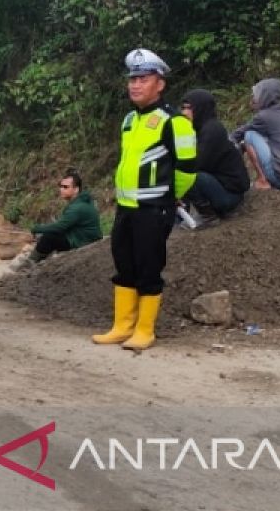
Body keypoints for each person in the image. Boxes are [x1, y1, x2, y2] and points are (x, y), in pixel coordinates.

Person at [92, 49, 196, 352]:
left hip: (154, 208)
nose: (135, 85)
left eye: (143, 78)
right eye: (132, 79)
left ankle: (145, 330)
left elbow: (187, 169)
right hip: (126, 208)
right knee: (124, 264)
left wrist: (169, 197)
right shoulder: (128, 120)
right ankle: (122, 326)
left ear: (159, 83)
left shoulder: (175, 122)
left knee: (149, 267)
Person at [179, 89, 250, 224]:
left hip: (230, 196)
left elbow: (195, 164)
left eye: (189, 108)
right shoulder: (197, 129)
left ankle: (207, 215)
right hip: (219, 187)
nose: (184, 113)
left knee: (187, 175)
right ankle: (184, 213)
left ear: (201, 109)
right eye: (183, 108)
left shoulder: (212, 131)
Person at [10, 169, 101, 270]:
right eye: (61, 186)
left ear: (76, 189)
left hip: (83, 241)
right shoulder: (80, 203)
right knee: (47, 236)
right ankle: (40, 259)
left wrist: (37, 228)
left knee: (49, 237)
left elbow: (60, 227)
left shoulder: (77, 207)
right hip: (79, 237)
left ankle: (31, 262)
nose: (61, 189)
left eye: (65, 187)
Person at [232, 78, 280, 191]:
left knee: (249, 135)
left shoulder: (264, 116)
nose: (254, 99)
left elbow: (238, 134)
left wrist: (229, 141)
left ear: (265, 96)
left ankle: (263, 181)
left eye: (256, 95)